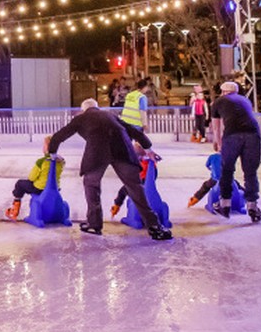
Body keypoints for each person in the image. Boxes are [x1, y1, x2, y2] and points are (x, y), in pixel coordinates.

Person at [47, 98, 173, 240]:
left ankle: (94, 225)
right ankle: (155, 226)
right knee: (135, 188)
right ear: (97, 107)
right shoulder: (111, 116)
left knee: (91, 185)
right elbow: (134, 131)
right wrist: (148, 149)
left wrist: (52, 153)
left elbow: (59, 136)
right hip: (123, 150)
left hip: (96, 154)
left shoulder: (81, 118)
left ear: (84, 110)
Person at [210, 81, 261, 221]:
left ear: (222, 91)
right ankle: (252, 206)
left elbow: (216, 127)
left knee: (227, 169)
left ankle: (225, 204)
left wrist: (218, 142)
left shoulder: (218, 102)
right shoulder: (245, 100)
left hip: (232, 135)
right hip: (253, 134)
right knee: (250, 172)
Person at [4, 136, 64, 220]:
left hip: (40, 188)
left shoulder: (41, 161)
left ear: (46, 148)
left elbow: (31, 178)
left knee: (20, 184)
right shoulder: (61, 162)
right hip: (55, 188)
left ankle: (15, 209)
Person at [110, 141, 156, 218]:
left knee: (124, 191)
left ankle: (116, 206)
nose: (135, 149)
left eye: (137, 148)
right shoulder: (143, 158)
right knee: (124, 191)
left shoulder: (147, 159)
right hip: (142, 179)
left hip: (143, 180)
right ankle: (116, 206)